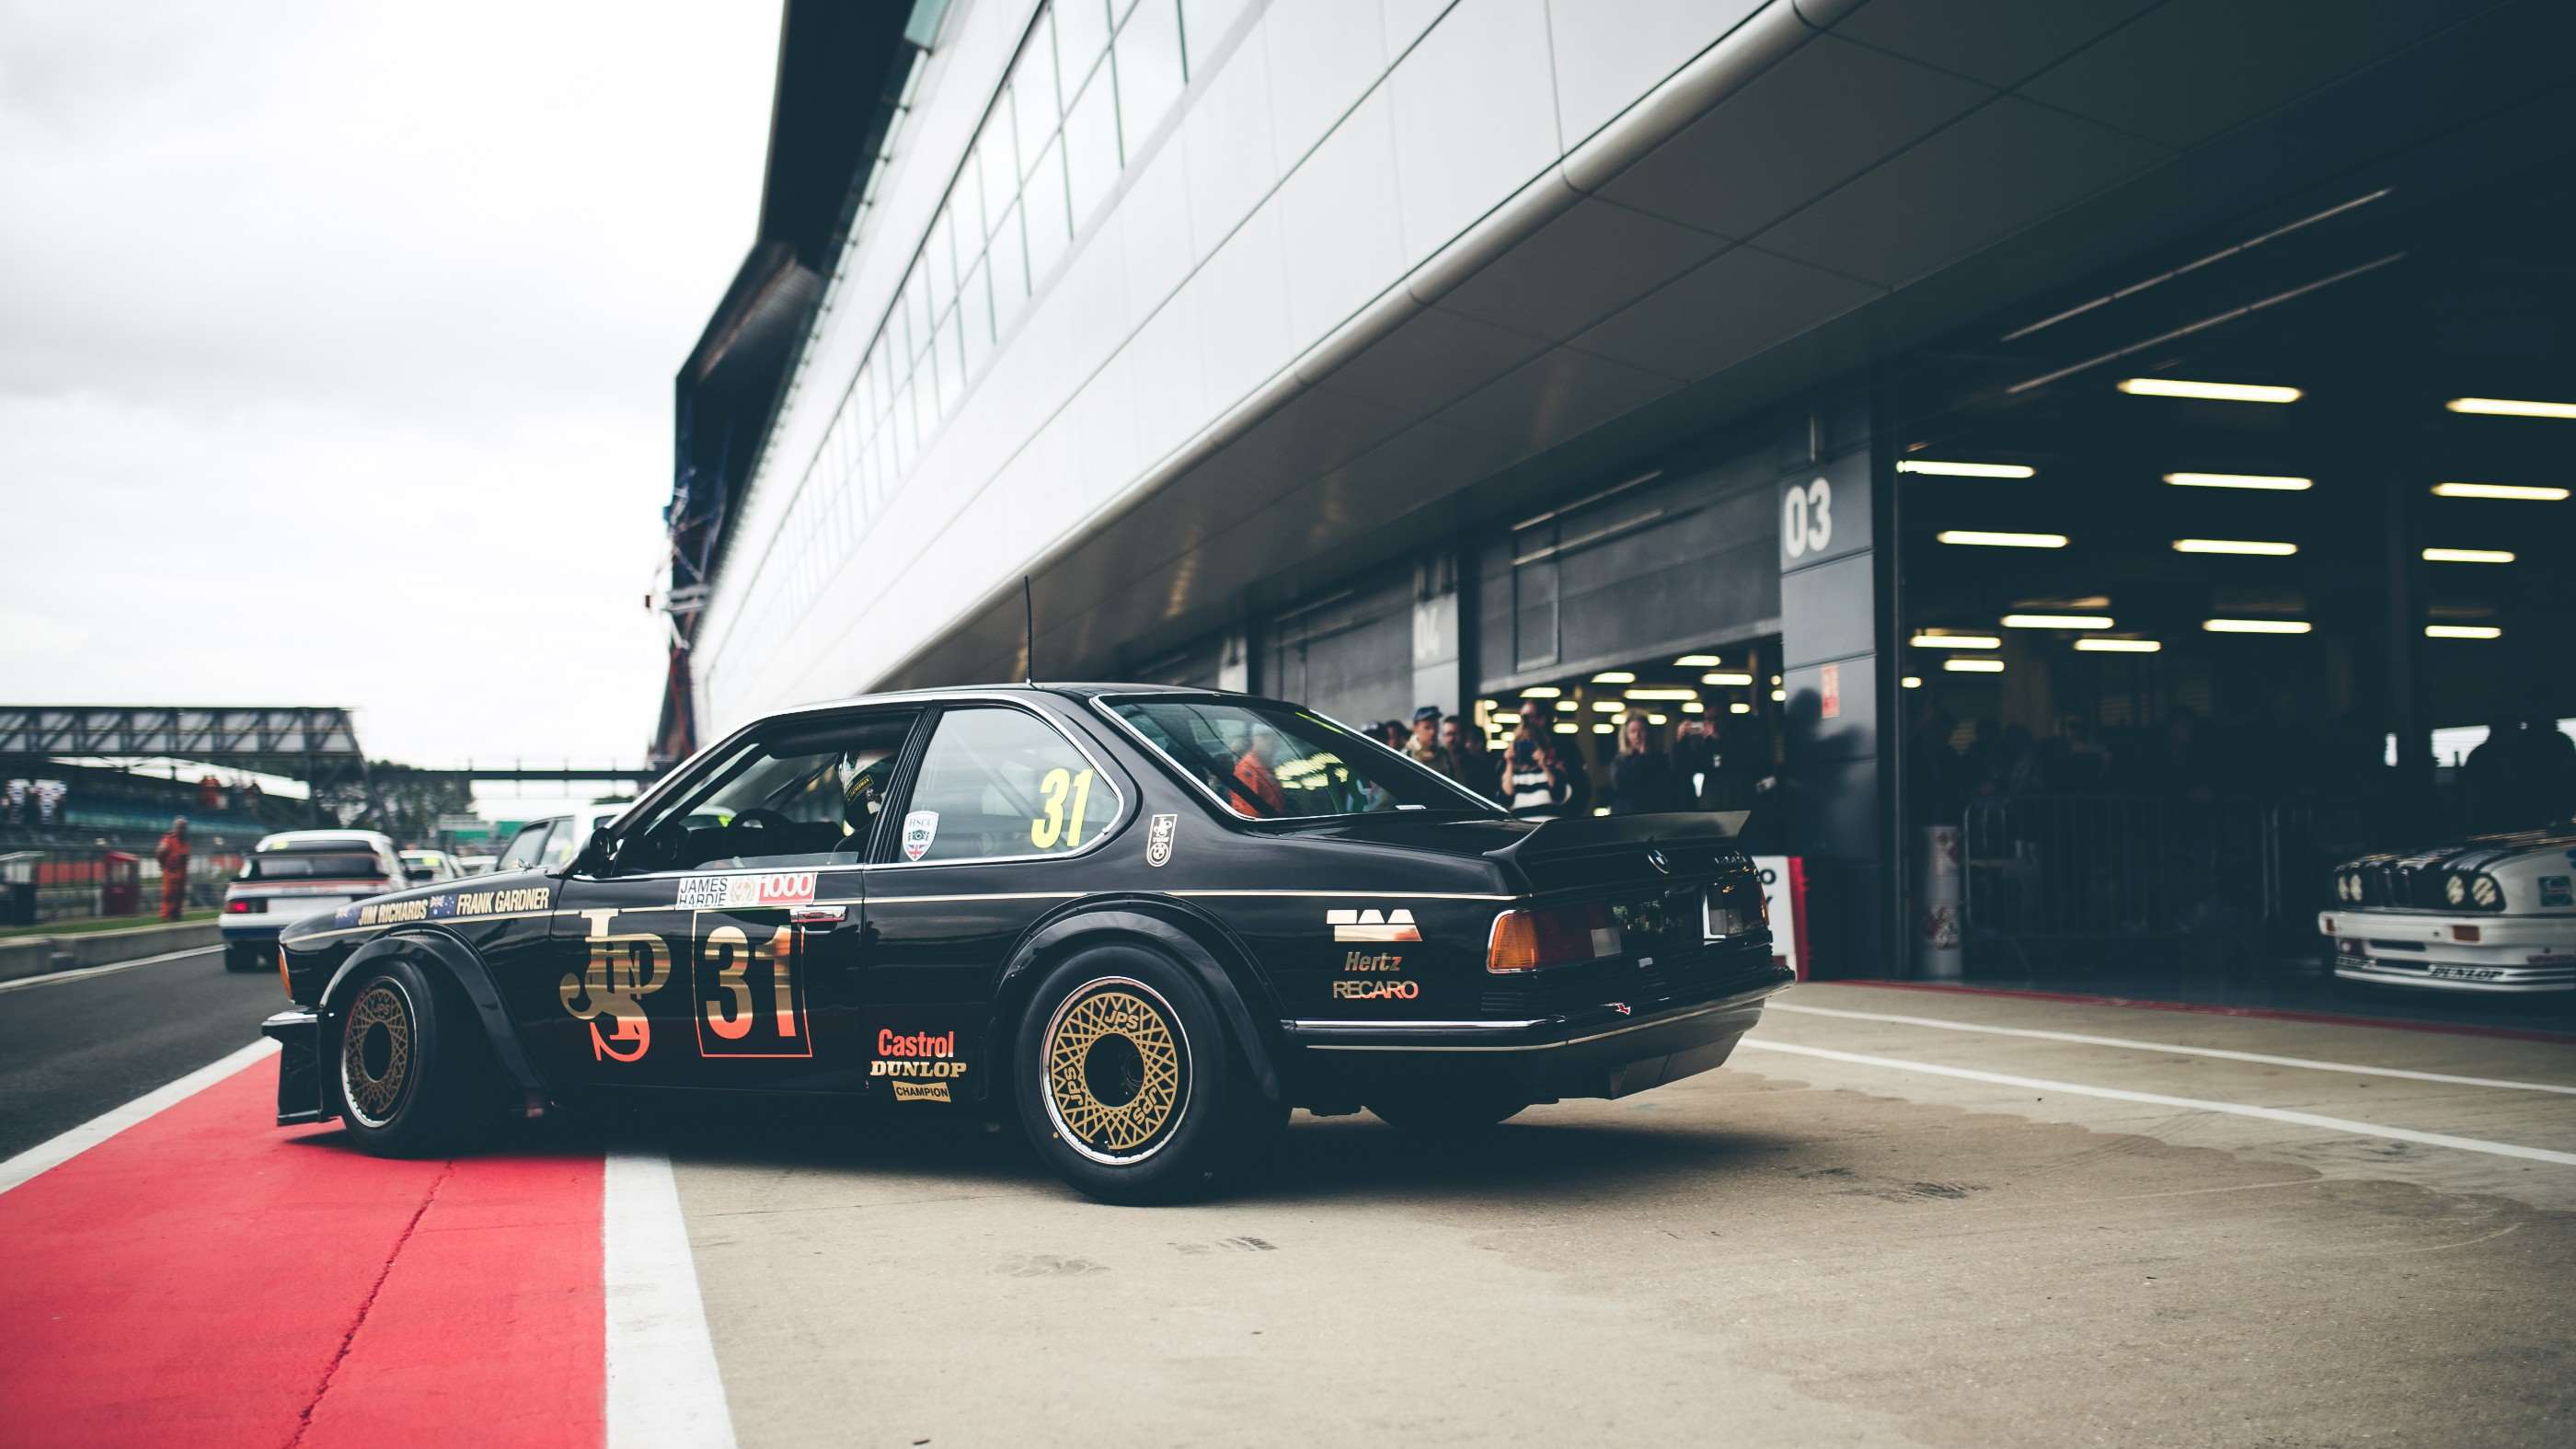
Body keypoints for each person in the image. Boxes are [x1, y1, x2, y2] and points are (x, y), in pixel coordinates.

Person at [1608, 714, 1680, 814]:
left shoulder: (1661, 758)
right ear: (1626, 735)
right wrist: (1641, 758)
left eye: (1641, 731)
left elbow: (1665, 787)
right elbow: (1622, 787)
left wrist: (1647, 757)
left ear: (1649, 733)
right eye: (1632, 731)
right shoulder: (1620, 760)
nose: (1637, 735)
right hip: (1627, 815)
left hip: (1654, 813)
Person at [1498, 722, 1564, 814]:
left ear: (1541, 745)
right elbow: (1506, 800)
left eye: (1531, 743)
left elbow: (1559, 796)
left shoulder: (1553, 769)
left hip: (1548, 826)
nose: (1527, 748)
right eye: (1522, 742)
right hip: (1522, 827)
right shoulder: (1511, 774)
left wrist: (1544, 765)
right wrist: (1509, 763)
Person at [1230, 726, 1288, 816]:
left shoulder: (1265, 764)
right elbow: (1250, 813)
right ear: (1256, 739)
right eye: (1266, 738)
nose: (1274, 744)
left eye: (1276, 739)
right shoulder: (1248, 769)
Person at [1439, 715, 1490, 799]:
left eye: (1454, 734)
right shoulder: (1438, 761)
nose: (1450, 739)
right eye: (1447, 734)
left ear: (1463, 734)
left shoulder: (1479, 765)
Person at [155, 815, 190, 920]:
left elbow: (186, 858)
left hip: (182, 874)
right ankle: (165, 917)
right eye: (180, 827)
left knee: (180, 896)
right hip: (171, 873)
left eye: (184, 827)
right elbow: (160, 852)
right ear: (175, 827)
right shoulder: (169, 839)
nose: (183, 829)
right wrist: (163, 865)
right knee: (169, 895)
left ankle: (177, 916)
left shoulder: (185, 842)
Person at [1405, 706, 1455, 778]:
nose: (1433, 732)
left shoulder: (1444, 754)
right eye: (1427, 727)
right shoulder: (1406, 756)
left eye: (1436, 726)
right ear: (1415, 728)